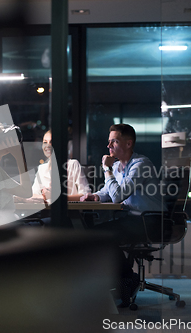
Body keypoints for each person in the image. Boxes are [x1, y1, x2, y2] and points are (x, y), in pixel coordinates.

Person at [80, 123, 167, 307]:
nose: (109, 146)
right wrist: (95, 196)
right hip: (132, 220)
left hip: (149, 221)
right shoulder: (119, 166)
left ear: (128, 144)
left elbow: (119, 195)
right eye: (109, 142)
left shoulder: (140, 164)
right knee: (95, 234)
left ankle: (127, 279)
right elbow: (109, 191)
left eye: (114, 141)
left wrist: (106, 169)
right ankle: (125, 279)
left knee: (100, 236)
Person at [31, 130, 90, 203]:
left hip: (70, 212)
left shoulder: (73, 164)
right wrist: (47, 197)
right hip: (47, 212)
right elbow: (33, 194)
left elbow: (85, 194)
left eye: (52, 142)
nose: (48, 145)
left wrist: (56, 197)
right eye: (45, 142)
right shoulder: (42, 168)